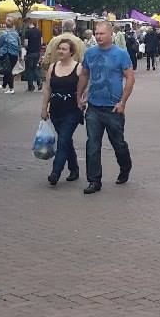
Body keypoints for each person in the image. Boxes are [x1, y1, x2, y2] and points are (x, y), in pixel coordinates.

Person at [77, 21, 135, 195]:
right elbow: (85, 74)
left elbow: (130, 78)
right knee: (92, 144)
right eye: (97, 33)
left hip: (113, 108)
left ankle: (125, 166)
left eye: (102, 33)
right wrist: (79, 95)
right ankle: (94, 180)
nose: (99, 36)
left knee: (118, 143)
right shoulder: (90, 53)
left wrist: (122, 102)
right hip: (94, 106)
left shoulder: (121, 54)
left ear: (111, 34)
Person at [40, 39, 83, 186]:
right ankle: (74, 168)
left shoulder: (78, 68)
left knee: (63, 140)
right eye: (59, 49)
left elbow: (87, 86)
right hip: (56, 110)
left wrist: (83, 100)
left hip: (72, 111)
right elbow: (47, 88)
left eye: (64, 49)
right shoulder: (52, 67)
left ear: (71, 52)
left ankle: (55, 172)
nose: (60, 51)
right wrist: (44, 108)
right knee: (66, 140)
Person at [0, 18, 21, 94]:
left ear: (5, 25)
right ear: (13, 25)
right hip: (14, 55)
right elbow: (19, 45)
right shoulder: (16, 34)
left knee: (8, 71)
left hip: (6, 54)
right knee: (8, 70)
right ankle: (4, 85)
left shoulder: (3, 34)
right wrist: (20, 55)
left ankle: (11, 88)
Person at [23, 19, 43, 92]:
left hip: (30, 53)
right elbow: (41, 42)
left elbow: (26, 44)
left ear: (28, 23)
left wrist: (26, 48)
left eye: (25, 24)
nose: (25, 26)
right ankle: (39, 81)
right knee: (35, 68)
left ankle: (31, 86)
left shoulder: (27, 32)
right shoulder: (39, 31)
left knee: (29, 70)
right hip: (37, 53)